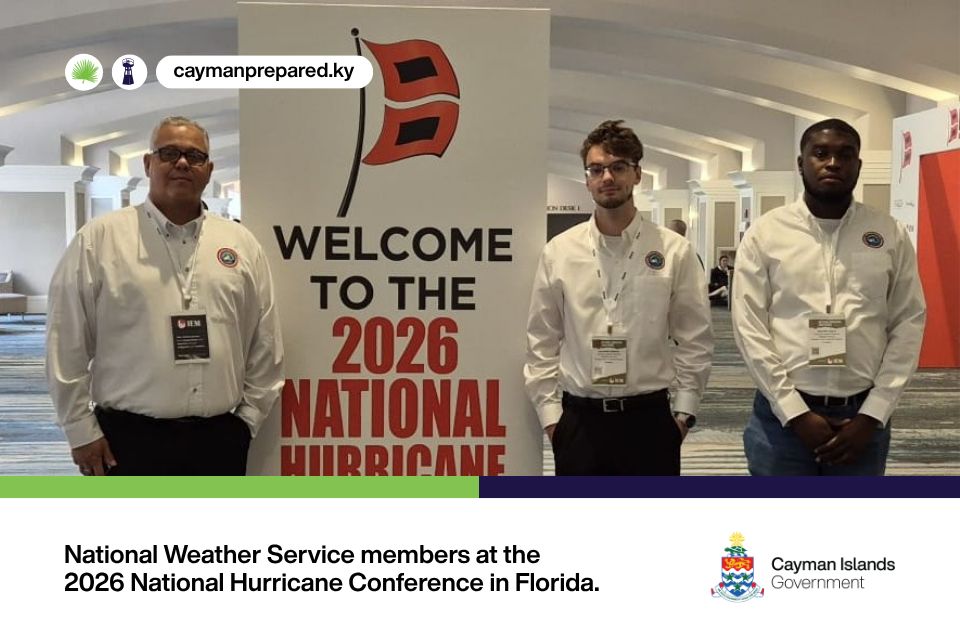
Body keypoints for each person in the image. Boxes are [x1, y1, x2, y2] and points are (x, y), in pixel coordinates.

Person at [46, 116, 284, 476]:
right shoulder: (99, 240)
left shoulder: (240, 243)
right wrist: (79, 430)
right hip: (127, 440)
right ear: (148, 163)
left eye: (195, 156)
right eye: (169, 153)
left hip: (219, 440)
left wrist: (246, 423)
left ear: (209, 169)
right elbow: (66, 341)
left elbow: (265, 339)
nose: (183, 163)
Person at [732, 118, 926, 476]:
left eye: (845, 154)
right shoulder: (767, 233)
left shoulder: (887, 233)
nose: (833, 163)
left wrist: (874, 413)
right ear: (801, 162)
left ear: (858, 166)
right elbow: (749, 326)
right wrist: (794, 411)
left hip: (863, 420)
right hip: (781, 419)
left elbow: (909, 322)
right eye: (820, 153)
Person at [524, 119, 714, 475]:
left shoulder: (674, 251)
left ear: (637, 174)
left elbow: (695, 339)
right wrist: (552, 421)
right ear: (587, 178)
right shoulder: (560, 252)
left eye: (618, 167)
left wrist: (684, 414)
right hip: (579, 422)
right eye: (596, 169)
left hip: (650, 422)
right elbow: (542, 340)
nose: (607, 177)